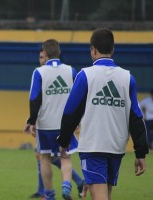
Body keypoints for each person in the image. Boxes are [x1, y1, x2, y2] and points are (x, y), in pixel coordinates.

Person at [57, 27, 149, 200]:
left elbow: (70, 112)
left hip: (93, 145)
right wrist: (140, 152)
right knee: (106, 192)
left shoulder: (85, 75)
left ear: (93, 49)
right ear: (112, 49)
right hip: (116, 146)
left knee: (99, 195)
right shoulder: (127, 77)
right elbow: (136, 117)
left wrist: (63, 141)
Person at [25, 49, 86, 199]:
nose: (40, 59)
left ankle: (48, 194)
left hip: (45, 124)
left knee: (45, 157)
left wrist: (32, 120)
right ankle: (71, 184)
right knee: (62, 156)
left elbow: (35, 99)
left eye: (41, 56)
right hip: (64, 124)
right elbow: (76, 98)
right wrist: (77, 120)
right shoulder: (70, 71)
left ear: (47, 56)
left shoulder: (40, 72)